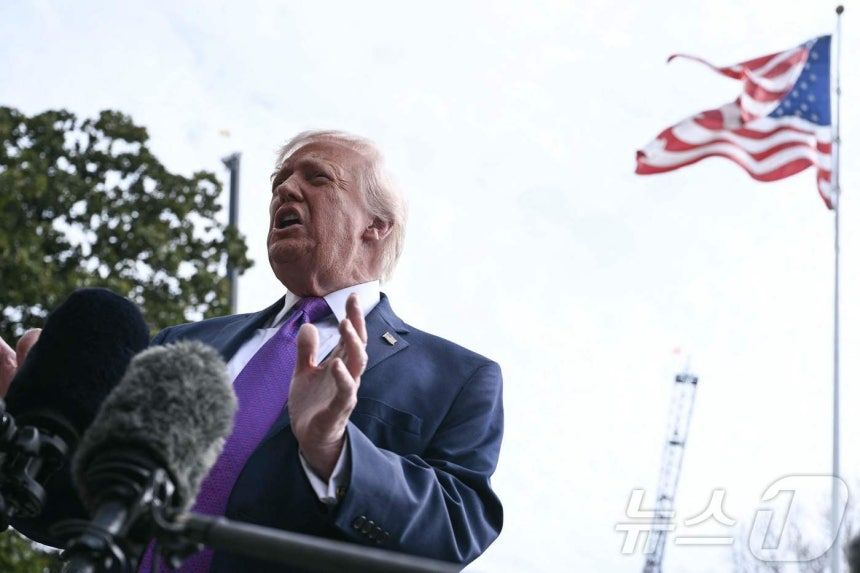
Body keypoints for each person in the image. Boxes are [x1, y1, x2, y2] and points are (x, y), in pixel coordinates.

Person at [1, 130, 504, 572]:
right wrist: (30, 445)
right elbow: (81, 510)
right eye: (279, 181)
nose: (285, 189)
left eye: (318, 177)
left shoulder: (457, 377)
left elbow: (456, 531)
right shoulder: (183, 344)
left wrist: (333, 450)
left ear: (377, 225)